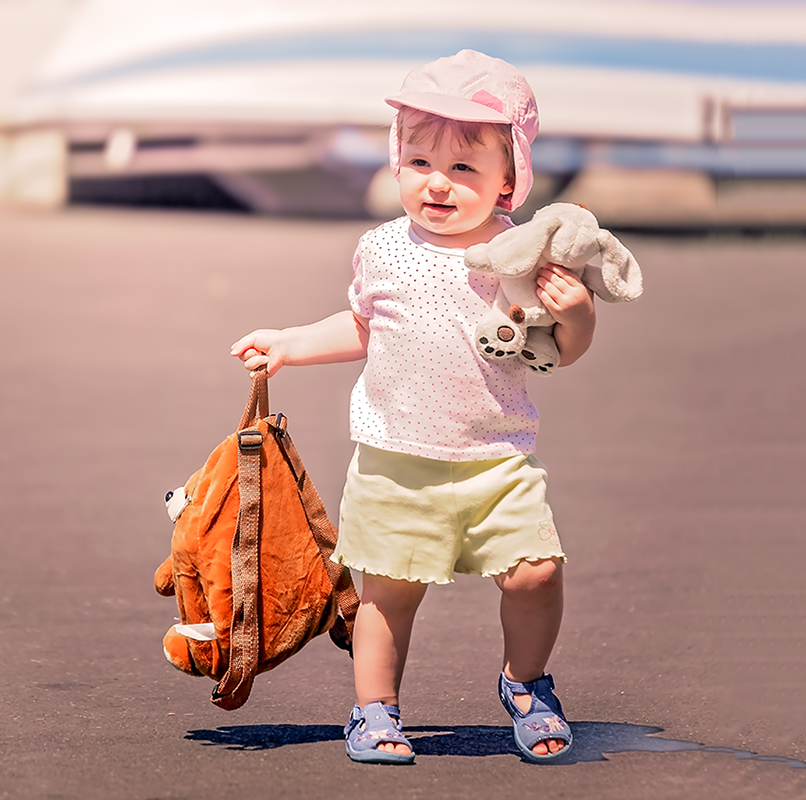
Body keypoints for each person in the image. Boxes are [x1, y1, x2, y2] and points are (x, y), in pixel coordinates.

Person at [230, 50, 596, 764]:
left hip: (498, 457)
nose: (439, 182)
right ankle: (374, 711)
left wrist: (577, 311)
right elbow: (365, 326)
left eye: (464, 169)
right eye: (420, 162)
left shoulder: (517, 256)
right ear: (396, 165)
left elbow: (559, 351)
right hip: (396, 460)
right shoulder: (382, 248)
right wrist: (290, 343)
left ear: (509, 180)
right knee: (388, 597)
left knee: (537, 573)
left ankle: (526, 684)